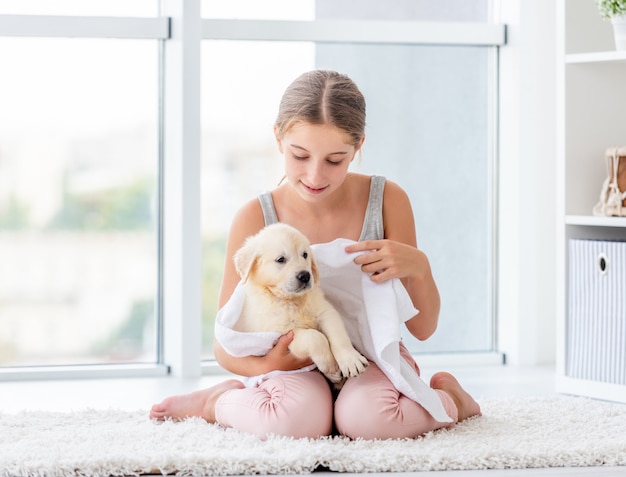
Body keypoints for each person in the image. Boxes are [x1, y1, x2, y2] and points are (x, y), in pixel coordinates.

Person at [149, 69, 481, 439]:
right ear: (278, 138)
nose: (314, 175)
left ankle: (451, 397)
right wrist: (271, 364)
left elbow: (423, 329)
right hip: (295, 362)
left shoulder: (386, 201)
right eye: (300, 155)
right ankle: (216, 402)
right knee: (292, 423)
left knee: (368, 420)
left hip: (370, 358)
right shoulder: (257, 219)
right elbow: (225, 343)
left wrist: (419, 267)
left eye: (335, 160)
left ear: (358, 147)